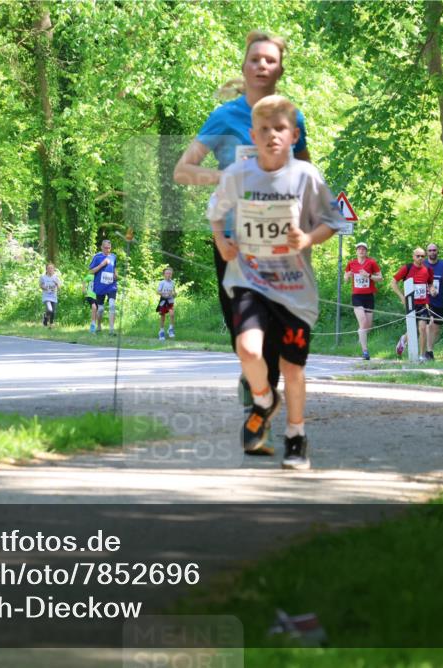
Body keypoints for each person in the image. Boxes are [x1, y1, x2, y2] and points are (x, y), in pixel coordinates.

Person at [174, 29, 311, 424]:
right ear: (245, 66)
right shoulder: (224, 116)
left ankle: (260, 402)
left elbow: (306, 172)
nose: (262, 66)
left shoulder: (292, 117)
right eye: (255, 59)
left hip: (280, 241)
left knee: (273, 327)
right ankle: (255, 379)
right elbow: (183, 170)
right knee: (244, 330)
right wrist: (229, 177)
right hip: (234, 240)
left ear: (280, 69)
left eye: (270, 60)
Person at [207, 94, 345, 469]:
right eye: (264, 129)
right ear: (253, 135)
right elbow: (215, 211)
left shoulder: (306, 176)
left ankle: (296, 436)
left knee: (292, 367)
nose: (272, 136)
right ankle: (264, 399)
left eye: (280, 129)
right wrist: (221, 240)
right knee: (248, 349)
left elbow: (332, 221)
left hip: (293, 289)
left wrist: (308, 238)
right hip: (249, 280)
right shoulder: (238, 175)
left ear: (294, 135)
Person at [390, 248, 436, 362]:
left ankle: (421, 356)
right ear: (413, 256)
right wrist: (402, 297)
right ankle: (403, 339)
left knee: (423, 328)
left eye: (422, 256)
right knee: (412, 329)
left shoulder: (428, 270)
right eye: (418, 256)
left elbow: (430, 284)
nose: (420, 258)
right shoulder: (407, 268)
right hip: (410, 303)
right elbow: (393, 282)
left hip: (423, 304)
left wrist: (432, 289)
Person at [343, 241, 382, 360]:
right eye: (359, 249)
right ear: (356, 251)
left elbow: (380, 278)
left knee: (368, 327)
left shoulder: (372, 262)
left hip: (369, 296)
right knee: (363, 322)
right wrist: (347, 276)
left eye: (363, 249)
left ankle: (360, 338)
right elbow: (345, 279)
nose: (361, 251)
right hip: (357, 297)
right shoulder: (351, 263)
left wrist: (368, 275)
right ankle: (365, 352)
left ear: (366, 251)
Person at [423, 243, 443, 361]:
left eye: (434, 250)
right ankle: (429, 353)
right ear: (427, 252)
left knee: (436, 328)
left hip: (438, 300)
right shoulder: (423, 265)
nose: (432, 252)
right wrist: (429, 288)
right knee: (429, 324)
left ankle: (404, 339)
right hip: (425, 300)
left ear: (437, 251)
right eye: (430, 250)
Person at [88, 239, 118, 335]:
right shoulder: (97, 257)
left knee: (112, 305)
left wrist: (116, 274)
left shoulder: (113, 257)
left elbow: (114, 268)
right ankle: (99, 326)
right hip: (100, 286)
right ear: (101, 247)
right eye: (105, 248)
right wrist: (102, 265)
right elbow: (91, 271)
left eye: (109, 248)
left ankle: (111, 330)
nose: (107, 250)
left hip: (111, 285)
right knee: (100, 309)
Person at [156, 267, 177, 341]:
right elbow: (158, 291)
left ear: (172, 275)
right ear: (164, 274)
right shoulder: (162, 282)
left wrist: (174, 294)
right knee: (163, 317)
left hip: (170, 301)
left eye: (170, 273)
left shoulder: (173, 282)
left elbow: (174, 292)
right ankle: (161, 331)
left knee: (172, 314)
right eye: (167, 273)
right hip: (163, 301)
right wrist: (164, 293)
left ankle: (170, 329)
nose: (169, 275)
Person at [39, 263, 62, 327]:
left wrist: (57, 284)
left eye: (52, 268)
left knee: (53, 312)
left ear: (54, 269)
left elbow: (59, 288)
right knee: (49, 310)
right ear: (46, 269)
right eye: (49, 268)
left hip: (53, 296)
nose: (50, 269)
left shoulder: (56, 277)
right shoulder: (43, 277)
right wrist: (44, 287)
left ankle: (50, 323)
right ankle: (46, 318)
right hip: (46, 296)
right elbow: (40, 285)